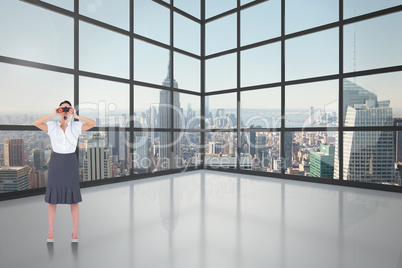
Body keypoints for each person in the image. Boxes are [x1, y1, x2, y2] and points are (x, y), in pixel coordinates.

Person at [33, 100, 96, 243]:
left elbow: (93, 123)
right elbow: (36, 122)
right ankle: (50, 230)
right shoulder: (52, 126)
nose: (65, 112)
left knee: (73, 200)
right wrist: (54, 113)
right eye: (63, 110)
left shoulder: (76, 126)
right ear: (59, 112)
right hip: (56, 162)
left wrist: (76, 115)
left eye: (67, 110)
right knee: (52, 200)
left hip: (70, 162)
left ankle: (75, 231)